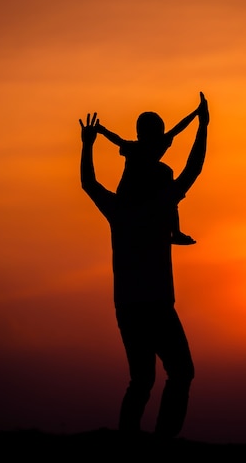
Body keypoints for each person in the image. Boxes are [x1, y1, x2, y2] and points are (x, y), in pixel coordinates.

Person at [79, 92, 209, 438]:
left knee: (143, 380)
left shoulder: (119, 210)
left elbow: (88, 183)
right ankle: (160, 439)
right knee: (179, 372)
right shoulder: (157, 204)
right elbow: (193, 167)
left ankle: (132, 437)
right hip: (155, 304)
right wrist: (203, 126)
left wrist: (88, 145)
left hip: (128, 304)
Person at [96, 100, 201, 245]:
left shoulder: (155, 144)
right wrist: (102, 130)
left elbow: (178, 128)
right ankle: (175, 232)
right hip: (130, 191)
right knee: (165, 174)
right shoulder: (142, 147)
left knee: (166, 174)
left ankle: (175, 232)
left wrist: (196, 114)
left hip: (148, 187)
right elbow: (117, 140)